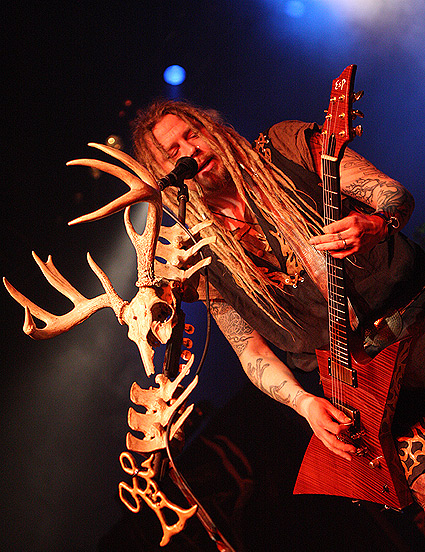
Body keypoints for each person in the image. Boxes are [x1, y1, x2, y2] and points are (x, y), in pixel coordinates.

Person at [131, 99, 425, 508]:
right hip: (361, 393)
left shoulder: (287, 146)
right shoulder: (201, 251)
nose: (191, 150)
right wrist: (304, 404)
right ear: (164, 171)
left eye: (192, 134)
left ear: (214, 128)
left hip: (414, 325)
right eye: (173, 151)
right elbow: (249, 348)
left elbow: (393, 194)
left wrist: (377, 223)